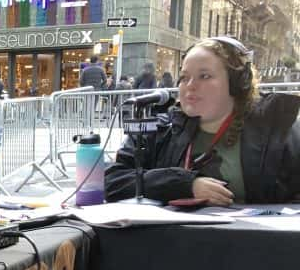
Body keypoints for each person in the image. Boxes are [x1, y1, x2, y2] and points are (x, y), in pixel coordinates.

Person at [105, 36, 300, 205]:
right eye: (184, 77)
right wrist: (183, 184)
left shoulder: (279, 131)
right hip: (177, 244)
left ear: (237, 84)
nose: (190, 85)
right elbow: (113, 181)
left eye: (204, 76)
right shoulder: (160, 129)